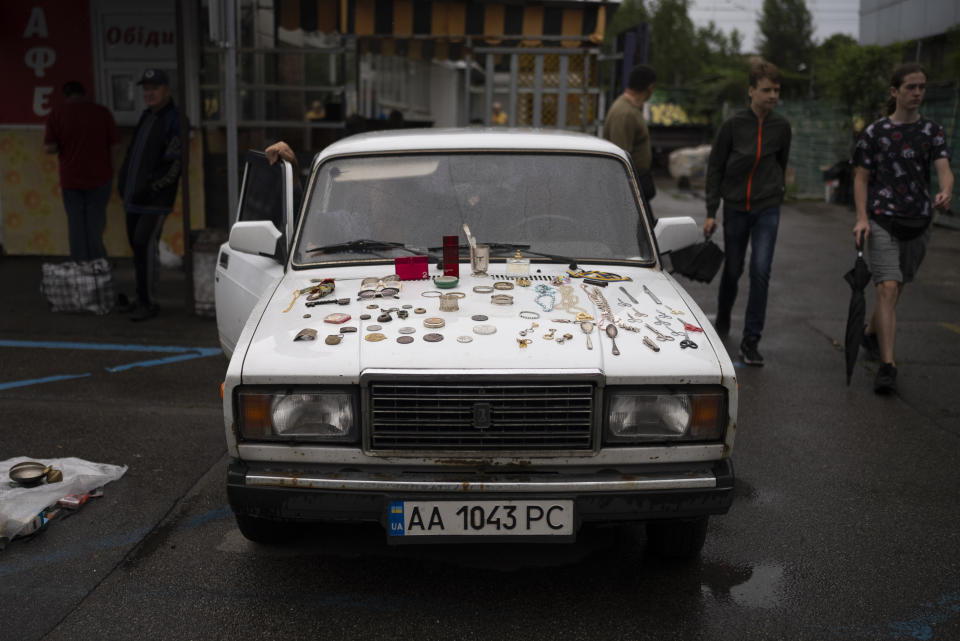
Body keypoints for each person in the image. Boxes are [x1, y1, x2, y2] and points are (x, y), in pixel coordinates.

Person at [852, 62, 953, 394]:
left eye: (922, 87)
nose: (918, 93)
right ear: (895, 91)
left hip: (918, 221)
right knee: (888, 288)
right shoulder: (874, 133)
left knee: (898, 287)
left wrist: (946, 190)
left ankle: (870, 332)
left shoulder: (932, 132)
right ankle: (887, 366)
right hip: (883, 219)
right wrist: (862, 218)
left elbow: (943, 168)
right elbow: (861, 178)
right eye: (911, 87)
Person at [702, 60, 791, 366]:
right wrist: (712, 210)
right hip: (737, 207)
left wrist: (777, 190)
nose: (773, 96)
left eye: (777, 90)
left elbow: (781, 161)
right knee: (733, 269)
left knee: (761, 270)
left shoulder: (781, 127)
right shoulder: (733, 126)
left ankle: (751, 341)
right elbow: (715, 167)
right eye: (767, 90)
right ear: (751, 91)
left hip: (767, 206)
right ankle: (723, 318)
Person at [117, 69, 185, 321]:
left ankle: (148, 302)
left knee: (144, 245)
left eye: (154, 88)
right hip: (134, 199)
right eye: (146, 89)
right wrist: (123, 182)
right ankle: (141, 297)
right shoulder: (146, 117)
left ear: (166, 90)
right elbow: (132, 155)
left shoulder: (174, 119)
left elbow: (175, 164)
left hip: (155, 202)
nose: (149, 93)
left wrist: (153, 188)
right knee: (137, 247)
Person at [43, 81, 118, 261]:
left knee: (76, 224)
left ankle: (80, 264)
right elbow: (116, 146)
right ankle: (98, 262)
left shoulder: (57, 114)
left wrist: (64, 143)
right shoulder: (102, 112)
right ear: (85, 93)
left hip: (71, 179)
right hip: (100, 178)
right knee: (95, 224)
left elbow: (49, 148)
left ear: (65, 95)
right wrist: (110, 167)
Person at [603, 64, 657, 206]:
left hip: (636, 185)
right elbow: (620, 159)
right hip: (630, 190)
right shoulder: (625, 113)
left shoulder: (630, 109)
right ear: (650, 87)